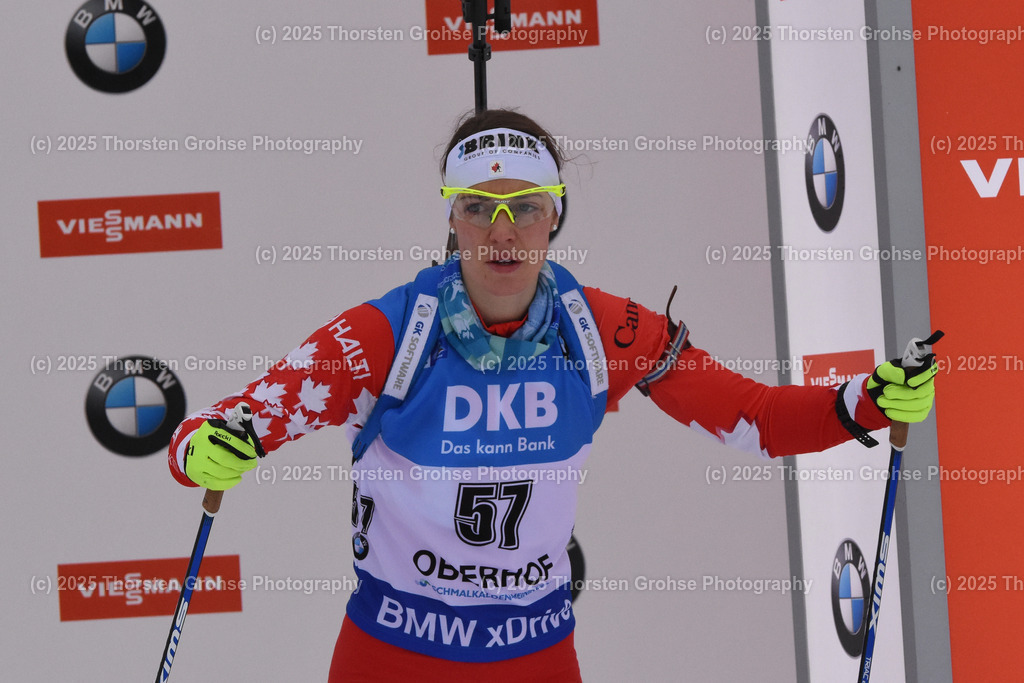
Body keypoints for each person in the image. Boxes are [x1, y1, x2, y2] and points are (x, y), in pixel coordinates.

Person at [167, 109, 937, 682]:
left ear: (555, 214)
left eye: (525, 206)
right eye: (479, 206)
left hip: (532, 655)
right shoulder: (385, 336)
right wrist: (203, 448)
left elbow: (758, 420)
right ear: (451, 215)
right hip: (392, 653)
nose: (502, 231)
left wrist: (868, 400)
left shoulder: (602, 330)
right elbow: (225, 426)